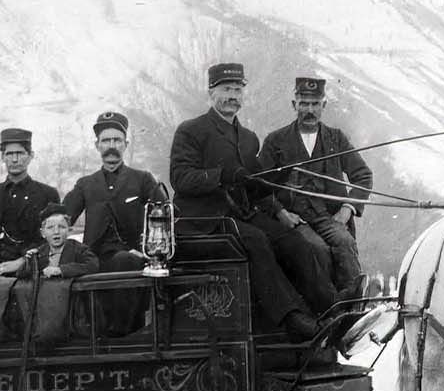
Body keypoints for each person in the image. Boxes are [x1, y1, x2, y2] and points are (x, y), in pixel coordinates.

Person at [169, 62, 332, 341]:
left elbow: (254, 188)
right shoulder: (191, 130)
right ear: (211, 93)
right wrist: (222, 175)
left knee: (292, 240)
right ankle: (291, 318)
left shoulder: (248, 139)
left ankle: (331, 307)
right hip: (205, 222)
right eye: (226, 89)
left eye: (237, 89)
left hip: (239, 215)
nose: (233, 95)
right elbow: (180, 178)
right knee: (256, 240)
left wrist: (273, 178)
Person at [260, 77, 372, 298]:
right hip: (294, 218)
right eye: (303, 104)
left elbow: (363, 175)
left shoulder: (336, 139)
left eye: (315, 104)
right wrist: (281, 213)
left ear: (324, 106)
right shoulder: (276, 141)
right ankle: (329, 307)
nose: (309, 110)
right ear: (294, 105)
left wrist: (347, 208)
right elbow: (260, 185)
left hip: (328, 216)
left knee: (345, 242)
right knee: (316, 249)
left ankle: (353, 304)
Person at [63, 111, 160, 334]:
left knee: (124, 261)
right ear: (97, 145)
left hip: (132, 257)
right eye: (106, 140)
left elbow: (162, 216)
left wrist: (147, 251)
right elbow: (62, 215)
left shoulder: (142, 179)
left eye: (117, 140)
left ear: (125, 144)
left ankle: (122, 338)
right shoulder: (86, 184)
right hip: (94, 259)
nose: (111, 145)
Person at [0, 127, 61, 276]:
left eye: (20, 153)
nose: (14, 159)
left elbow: (50, 237)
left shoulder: (47, 194)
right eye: (9, 154)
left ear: (30, 156)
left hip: (31, 265)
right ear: (2, 157)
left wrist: (22, 262)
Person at [0, 203, 99, 279]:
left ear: (69, 230)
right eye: (50, 228)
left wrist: (61, 270)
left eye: (61, 227)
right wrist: (29, 262)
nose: (56, 232)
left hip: (70, 299)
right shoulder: (40, 252)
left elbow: (92, 266)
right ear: (43, 233)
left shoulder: (78, 249)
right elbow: (21, 275)